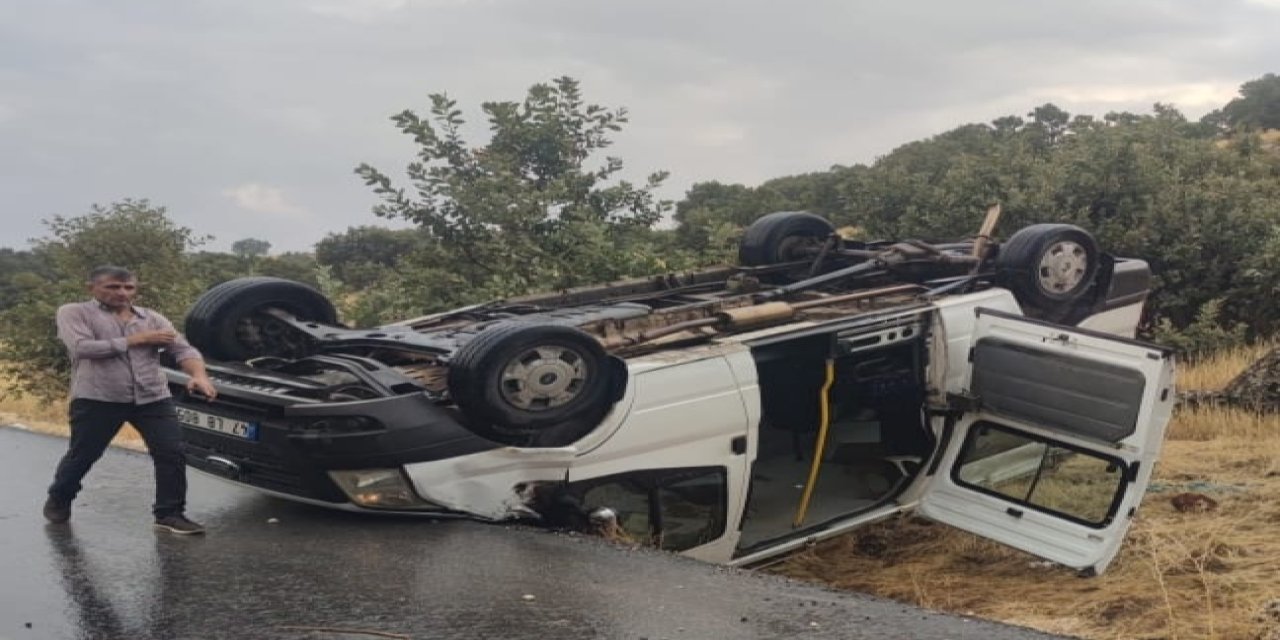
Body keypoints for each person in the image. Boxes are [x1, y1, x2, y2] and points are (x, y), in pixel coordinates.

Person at [44, 266, 218, 534]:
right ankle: (60, 496)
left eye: (128, 288)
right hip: (98, 397)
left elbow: (183, 349)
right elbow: (82, 348)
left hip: (152, 396)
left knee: (171, 452)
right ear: (91, 287)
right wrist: (136, 340)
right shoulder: (74, 312)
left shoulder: (153, 319)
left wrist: (199, 375)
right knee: (84, 455)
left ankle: (170, 514)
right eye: (113, 287)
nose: (122, 293)